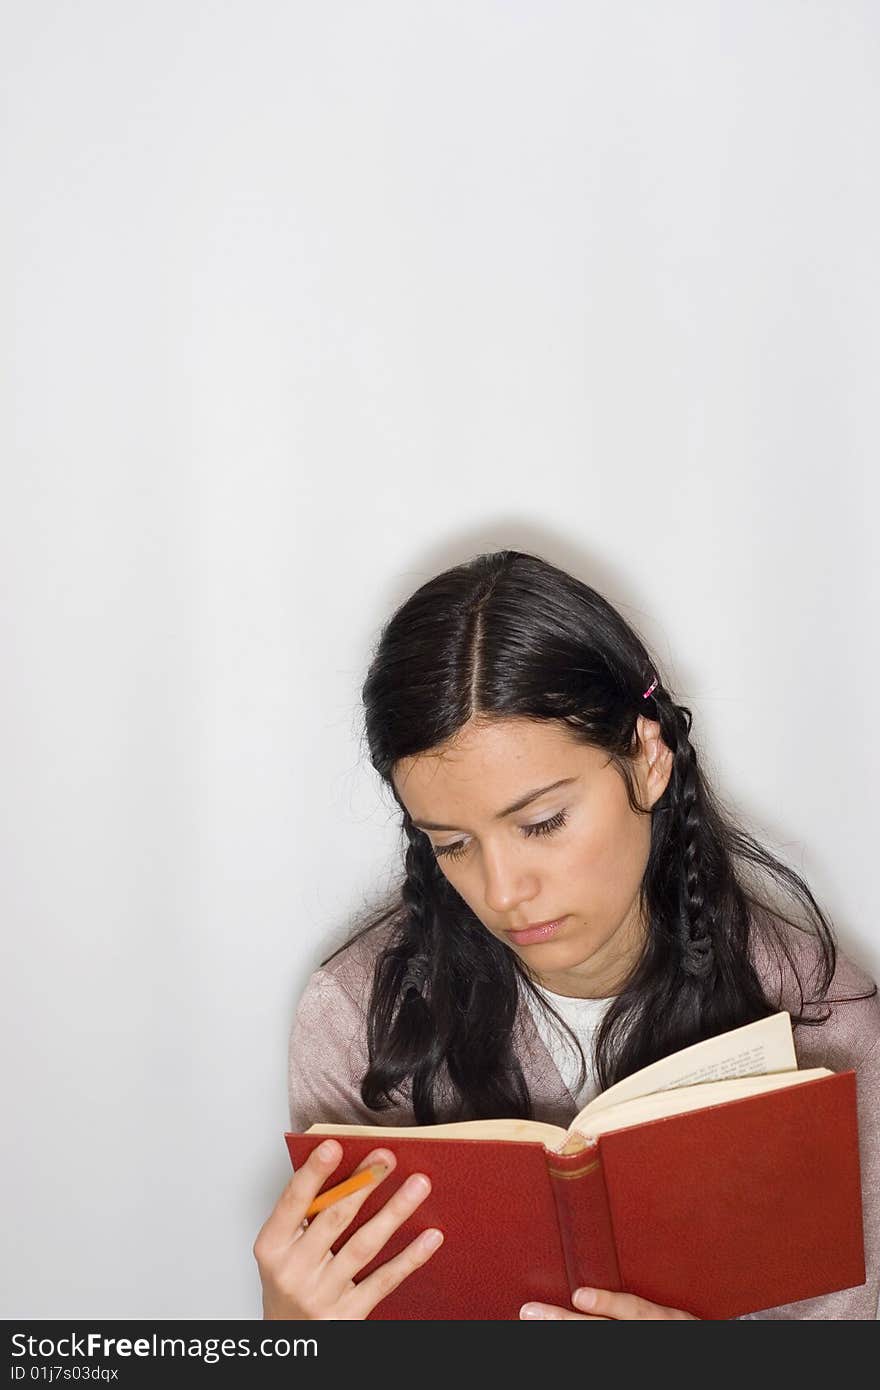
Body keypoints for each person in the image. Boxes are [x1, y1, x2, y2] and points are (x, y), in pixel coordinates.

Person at [253, 549, 880, 1320]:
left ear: (649, 760)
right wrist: (291, 1338)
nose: (503, 892)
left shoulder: (820, 1012)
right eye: (450, 844)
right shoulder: (359, 1015)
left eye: (543, 823)